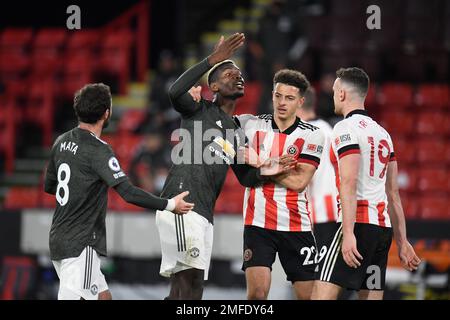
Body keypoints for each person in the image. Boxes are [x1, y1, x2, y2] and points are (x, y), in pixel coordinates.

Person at [157, 33, 292, 300]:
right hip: (183, 202)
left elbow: (246, 177)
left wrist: (271, 168)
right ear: (214, 86)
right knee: (188, 286)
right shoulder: (199, 109)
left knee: (189, 290)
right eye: (229, 73)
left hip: (204, 212)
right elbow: (174, 92)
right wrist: (212, 60)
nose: (237, 76)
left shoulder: (235, 131)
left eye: (239, 73)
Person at [43, 83, 194, 300]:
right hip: (81, 244)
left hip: (58, 238)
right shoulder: (98, 150)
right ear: (106, 113)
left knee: (104, 297)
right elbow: (129, 193)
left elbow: (50, 186)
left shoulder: (61, 141)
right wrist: (169, 205)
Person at [311, 67, 421, 300]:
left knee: (321, 295)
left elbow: (349, 182)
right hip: (381, 231)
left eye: (333, 91)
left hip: (358, 224)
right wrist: (402, 242)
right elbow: (393, 194)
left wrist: (348, 233)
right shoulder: (383, 133)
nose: (332, 96)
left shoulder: (344, 129)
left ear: (341, 93)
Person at [235, 69, 325, 300]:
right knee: (257, 294)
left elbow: (298, 182)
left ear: (301, 102)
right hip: (258, 223)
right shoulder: (251, 126)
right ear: (272, 95)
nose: (282, 103)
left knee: (308, 297)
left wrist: (262, 163)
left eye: (289, 98)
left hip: (297, 225)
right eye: (278, 96)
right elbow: (215, 122)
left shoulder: (313, 135)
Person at [296, 87, 338, 262]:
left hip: (317, 213)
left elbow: (303, 177)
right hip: (333, 210)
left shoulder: (306, 133)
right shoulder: (328, 129)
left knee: (317, 277)